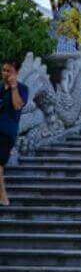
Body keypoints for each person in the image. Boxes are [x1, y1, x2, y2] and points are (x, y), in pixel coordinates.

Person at [0, 59, 29, 207]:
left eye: (8, 71)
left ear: (16, 73)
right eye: (3, 70)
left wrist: (13, 87)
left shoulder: (22, 88)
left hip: (6, 132)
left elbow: (17, 106)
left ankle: (3, 194)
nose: (5, 73)